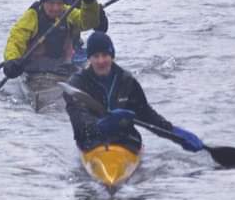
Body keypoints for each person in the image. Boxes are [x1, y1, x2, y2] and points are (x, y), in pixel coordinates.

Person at [63, 32, 204, 154]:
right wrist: (100, 125)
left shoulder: (127, 80)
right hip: (92, 143)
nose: (101, 61)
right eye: (96, 56)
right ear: (89, 58)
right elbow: (79, 121)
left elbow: (147, 115)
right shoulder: (76, 84)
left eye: (105, 55)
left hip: (125, 141)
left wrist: (175, 133)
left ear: (112, 56)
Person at [1, 0, 104, 79]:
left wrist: (89, 3)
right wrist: (12, 60)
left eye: (59, 3)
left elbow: (88, 23)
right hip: (35, 69)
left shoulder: (68, 11)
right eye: (51, 3)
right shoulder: (32, 15)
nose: (55, 8)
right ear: (43, 2)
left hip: (62, 68)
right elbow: (16, 40)